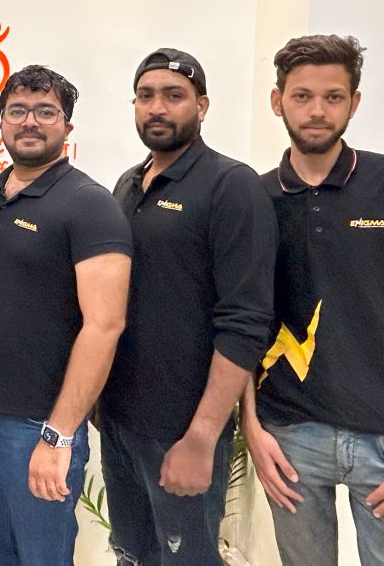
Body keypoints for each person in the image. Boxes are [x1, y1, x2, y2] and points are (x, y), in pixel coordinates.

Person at [242, 34, 384, 565]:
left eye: (333, 97)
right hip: (289, 436)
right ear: (277, 101)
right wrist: (251, 426)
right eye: (302, 96)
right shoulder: (254, 197)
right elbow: (242, 320)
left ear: (354, 102)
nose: (317, 111)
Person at [98, 48, 278, 565]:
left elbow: (245, 321)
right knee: (131, 555)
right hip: (120, 421)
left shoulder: (231, 185)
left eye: (173, 96)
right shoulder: (127, 184)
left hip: (182, 429)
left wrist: (202, 436)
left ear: (201, 106)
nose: (157, 107)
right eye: (145, 96)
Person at [0, 65, 132, 565]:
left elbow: (105, 325)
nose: (30, 121)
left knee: (43, 558)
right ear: (1, 123)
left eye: (45, 111)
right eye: (18, 111)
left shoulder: (89, 205)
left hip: (38, 425)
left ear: (67, 127)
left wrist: (59, 433)